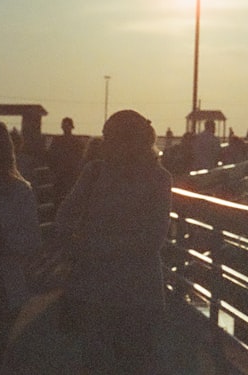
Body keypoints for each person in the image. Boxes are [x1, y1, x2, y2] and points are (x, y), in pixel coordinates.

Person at [54, 109, 172, 375]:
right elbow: (64, 217)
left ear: (130, 141)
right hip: (114, 290)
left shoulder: (158, 178)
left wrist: (91, 244)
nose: (104, 143)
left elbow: (155, 238)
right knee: (102, 363)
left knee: (124, 363)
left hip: (128, 292)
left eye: (110, 137)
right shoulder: (95, 171)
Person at [0, 121, 43, 372]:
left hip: (4, 282)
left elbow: (31, 241)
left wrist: (3, 240)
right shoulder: (20, 190)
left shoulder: (18, 191)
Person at [46, 117, 85, 206]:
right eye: (64, 125)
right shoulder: (58, 141)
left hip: (70, 175)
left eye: (67, 125)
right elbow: (51, 157)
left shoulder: (76, 142)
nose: (65, 128)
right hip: (61, 175)